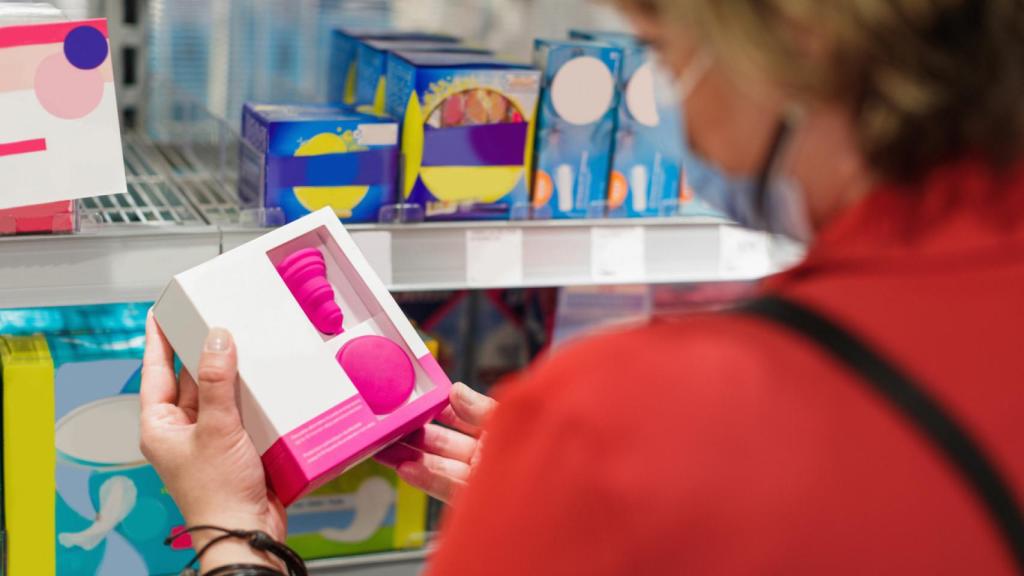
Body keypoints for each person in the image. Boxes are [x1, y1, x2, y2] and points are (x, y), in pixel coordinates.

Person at [141, 0, 1024, 574]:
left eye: (666, 54)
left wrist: (232, 534)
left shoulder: (624, 425)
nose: (676, 108)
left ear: (797, 41)